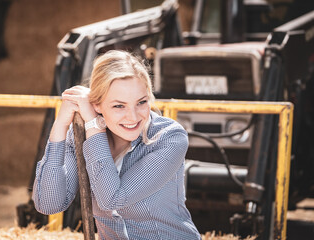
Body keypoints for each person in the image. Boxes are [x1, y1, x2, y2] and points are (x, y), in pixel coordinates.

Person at [32, 50, 201, 240]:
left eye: (141, 102)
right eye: (119, 106)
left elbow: (113, 199)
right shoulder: (81, 136)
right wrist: (60, 125)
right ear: (96, 104)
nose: (133, 116)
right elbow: (49, 204)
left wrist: (94, 125)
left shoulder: (169, 137)